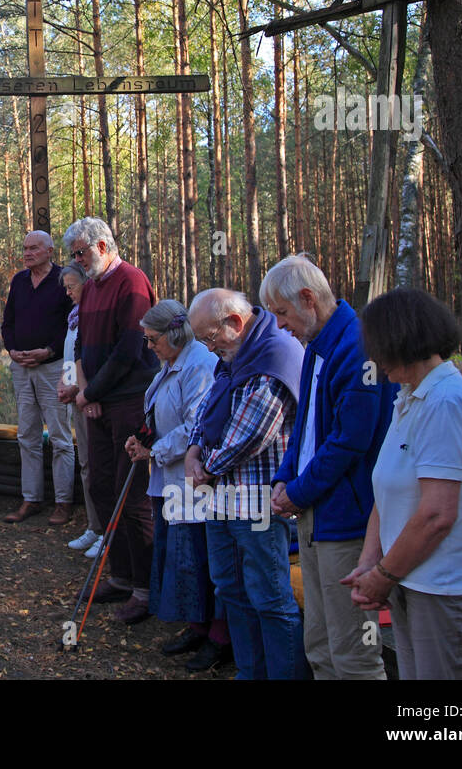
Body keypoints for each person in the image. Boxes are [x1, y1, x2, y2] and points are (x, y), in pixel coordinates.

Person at [342, 287, 462, 680]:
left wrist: (383, 575)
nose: (373, 360)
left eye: (377, 347)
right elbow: (388, 490)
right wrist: (369, 563)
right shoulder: (410, 397)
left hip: (445, 584)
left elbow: (436, 514)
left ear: (399, 340)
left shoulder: (446, 402)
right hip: (409, 577)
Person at [262, 254, 395, 680]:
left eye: (282, 314)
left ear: (308, 299)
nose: (280, 326)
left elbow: (349, 441)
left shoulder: (358, 347)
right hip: (316, 513)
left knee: (352, 650)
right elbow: (303, 428)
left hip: (348, 520)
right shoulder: (317, 348)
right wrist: (285, 477)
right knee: (319, 643)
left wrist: (298, 491)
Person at [185, 288, 306, 679]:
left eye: (209, 337)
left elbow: (252, 433)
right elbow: (207, 405)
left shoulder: (274, 352)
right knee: (231, 591)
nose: (208, 347)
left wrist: (206, 466)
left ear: (234, 323)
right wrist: (193, 448)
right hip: (222, 499)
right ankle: (250, 672)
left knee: (270, 597)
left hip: (258, 502)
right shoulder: (233, 355)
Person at [63, 216, 158, 624]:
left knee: (131, 495)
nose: (78, 261)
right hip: (98, 401)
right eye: (73, 256)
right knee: (102, 485)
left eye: (81, 253)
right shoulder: (91, 288)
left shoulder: (132, 282)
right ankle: (119, 575)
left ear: (102, 246)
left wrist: (91, 393)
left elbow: (130, 348)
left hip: (130, 401)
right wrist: (86, 393)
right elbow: (83, 343)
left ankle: (146, 588)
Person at [124, 299, 228, 672]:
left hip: (191, 481)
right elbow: (156, 413)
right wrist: (142, 437)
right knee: (181, 559)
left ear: (174, 333)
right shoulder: (169, 363)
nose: (149, 347)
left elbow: (196, 426)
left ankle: (218, 637)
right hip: (166, 480)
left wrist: (156, 449)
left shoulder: (199, 364)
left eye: (153, 340)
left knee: (200, 558)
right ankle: (197, 626)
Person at [2, 231, 75, 526]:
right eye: (24, 248)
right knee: (27, 435)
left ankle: (64, 502)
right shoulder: (19, 281)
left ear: (50, 251)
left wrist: (48, 351)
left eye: (34, 248)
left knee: (59, 436)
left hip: (54, 368)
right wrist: (13, 350)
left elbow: (73, 325)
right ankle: (31, 499)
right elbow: (7, 323)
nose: (27, 253)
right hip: (21, 368)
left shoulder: (63, 279)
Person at [57, 262, 104, 558]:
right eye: (66, 287)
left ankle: (108, 530)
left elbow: (95, 360)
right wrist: (64, 383)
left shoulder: (96, 316)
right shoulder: (74, 318)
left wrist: (78, 388)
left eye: (72, 286)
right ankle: (94, 525)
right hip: (77, 399)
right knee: (86, 465)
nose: (68, 292)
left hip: (93, 400)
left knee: (100, 466)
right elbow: (71, 356)